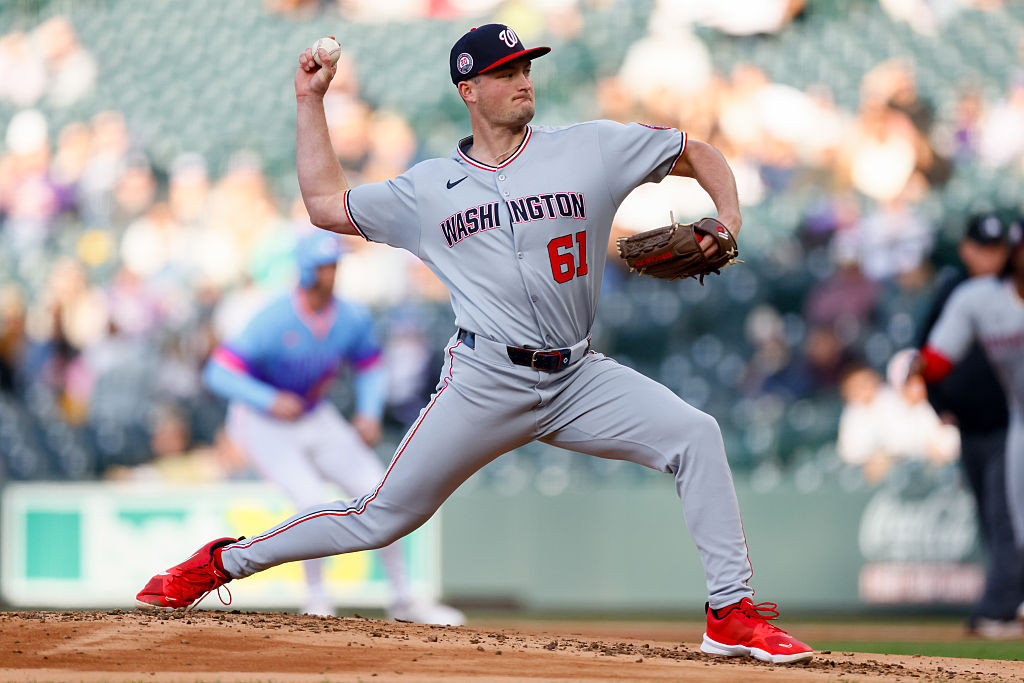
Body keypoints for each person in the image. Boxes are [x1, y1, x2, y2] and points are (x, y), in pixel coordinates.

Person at [136, 24, 813, 664]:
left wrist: (727, 216)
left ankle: (731, 612)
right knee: (377, 518)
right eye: (504, 72)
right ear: (468, 90)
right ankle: (222, 561)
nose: (523, 80)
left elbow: (695, 150)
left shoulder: (589, 147)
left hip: (579, 376)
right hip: (487, 378)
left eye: (525, 67)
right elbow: (325, 204)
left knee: (696, 434)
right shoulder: (428, 190)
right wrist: (309, 100)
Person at [189, 230, 463, 624]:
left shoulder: (350, 316)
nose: (331, 272)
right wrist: (267, 399)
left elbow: (370, 366)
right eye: (323, 265)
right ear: (305, 269)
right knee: (311, 502)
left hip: (313, 412)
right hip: (262, 420)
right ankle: (316, 600)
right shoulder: (274, 317)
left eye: (334, 265)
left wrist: (369, 412)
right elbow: (218, 373)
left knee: (382, 491)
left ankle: (404, 598)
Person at [914, 213, 1024, 637]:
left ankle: (999, 605)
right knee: (992, 515)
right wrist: (936, 401)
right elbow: (929, 356)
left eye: (1000, 249)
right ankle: (1004, 600)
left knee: (1005, 516)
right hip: (973, 424)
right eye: (986, 248)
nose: (993, 257)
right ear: (967, 249)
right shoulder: (962, 293)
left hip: (1005, 422)